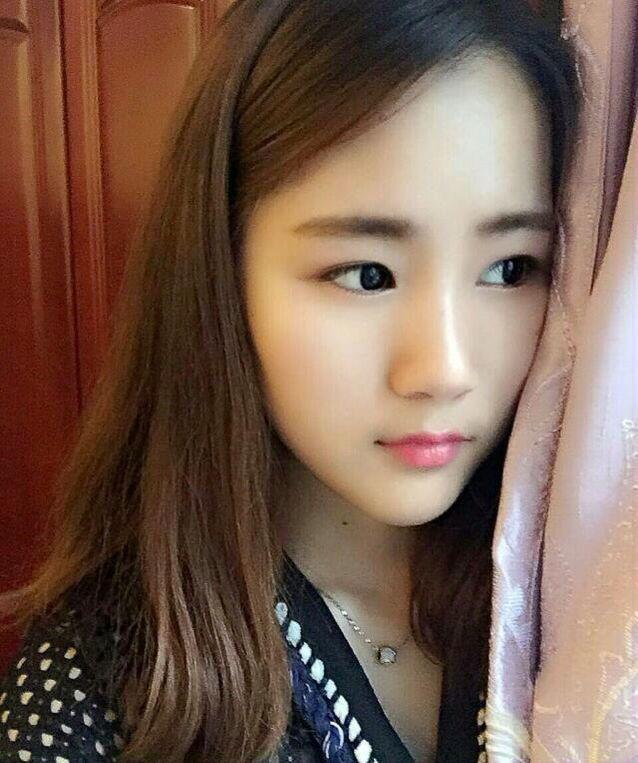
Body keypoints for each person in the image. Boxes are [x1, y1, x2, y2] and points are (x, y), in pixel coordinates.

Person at [0, 1, 582, 761]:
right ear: (222, 272)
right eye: (366, 274)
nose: (444, 370)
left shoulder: (581, 585)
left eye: (509, 269)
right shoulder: (98, 683)